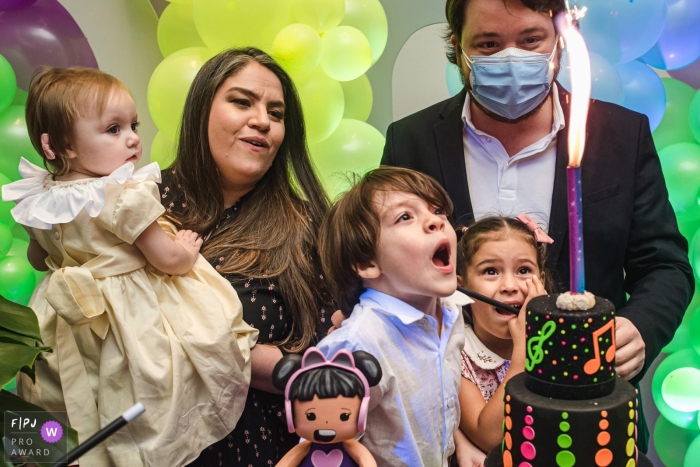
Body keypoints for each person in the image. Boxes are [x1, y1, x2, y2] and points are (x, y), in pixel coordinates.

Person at [380, 0, 694, 451]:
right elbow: (389, 283)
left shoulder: (623, 135)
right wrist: (452, 428)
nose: (511, 59)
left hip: (591, 421)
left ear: (559, 43)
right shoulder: (411, 140)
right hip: (455, 434)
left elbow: (665, 266)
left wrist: (639, 326)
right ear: (458, 47)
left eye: (530, 41)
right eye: (488, 44)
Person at [2, 67, 258, 467]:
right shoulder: (121, 195)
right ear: (61, 146)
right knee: (138, 385)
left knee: (64, 397)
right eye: (113, 129)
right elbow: (166, 259)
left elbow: (39, 259)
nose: (133, 138)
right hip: (124, 314)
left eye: (132, 125)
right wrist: (186, 250)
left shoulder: (41, 198)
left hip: (60, 320)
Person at [158, 47, 334, 466]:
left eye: (276, 113)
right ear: (201, 108)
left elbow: (330, 363)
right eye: (241, 102)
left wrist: (233, 358)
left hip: (259, 451)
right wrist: (42, 445)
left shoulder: (307, 226)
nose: (262, 121)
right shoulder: (140, 202)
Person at [316, 166, 470, 466]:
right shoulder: (356, 347)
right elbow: (323, 452)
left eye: (437, 210)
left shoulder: (451, 312)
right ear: (367, 262)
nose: (435, 221)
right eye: (405, 217)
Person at [454, 215, 554, 466]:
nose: (510, 285)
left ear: (540, 281)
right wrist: (523, 352)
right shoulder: (455, 351)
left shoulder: (558, 342)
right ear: (460, 285)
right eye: (490, 271)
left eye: (523, 271)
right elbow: (490, 437)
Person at [271, 347, 382, 467]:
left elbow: (366, 461)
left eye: (344, 416)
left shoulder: (353, 448)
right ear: (291, 416)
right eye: (310, 416)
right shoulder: (303, 448)